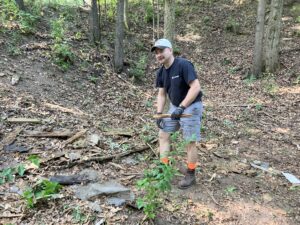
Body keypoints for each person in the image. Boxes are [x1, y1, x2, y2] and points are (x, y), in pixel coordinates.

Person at [151, 38, 203, 189]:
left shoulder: (183, 65)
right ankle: (164, 168)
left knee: (189, 141)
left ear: (170, 50)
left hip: (191, 105)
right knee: (163, 134)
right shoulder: (161, 72)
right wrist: (160, 113)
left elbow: (196, 87)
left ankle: (191, 174)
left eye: (161, 51)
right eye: (156, 52)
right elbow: (161, 94)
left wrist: (182, 107)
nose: (159, 54)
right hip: (175, 106)